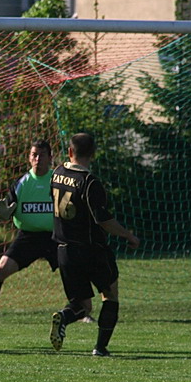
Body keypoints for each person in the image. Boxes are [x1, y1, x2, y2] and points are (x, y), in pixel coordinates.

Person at [48, 133, 140, 357]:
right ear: (93, 154)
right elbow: (104, 221)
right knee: (110, 295)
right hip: (90, 250)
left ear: (70, 152)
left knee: (83, 306)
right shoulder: (90, 183)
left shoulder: (57, 173)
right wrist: (128, 235)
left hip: (63, 250)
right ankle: (100, 347)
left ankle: (64, 316)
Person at [0, 140, 61, 325]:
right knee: (1, 269)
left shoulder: (58, 181)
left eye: (42, 154)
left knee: (76, 271)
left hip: (55, 237)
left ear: (50, 158)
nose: (37, 158)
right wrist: (4, 215)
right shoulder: (22, 184)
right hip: (28, 238)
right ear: (29, 157)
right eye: (34, 154)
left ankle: (83, 312)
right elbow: (7, 209)